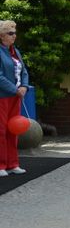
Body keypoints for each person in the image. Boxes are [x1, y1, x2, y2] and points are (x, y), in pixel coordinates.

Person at [0, 20, 29, 177]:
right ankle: (1, 164)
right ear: (1, 36)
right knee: (1, 131)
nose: (14, 36)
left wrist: (24, 86)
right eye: (10, 33)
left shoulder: (15, 51)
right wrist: (14, 89)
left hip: (15, 97)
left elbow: (24, 71)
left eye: (15, 33)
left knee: (13, 130)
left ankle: (13, 163)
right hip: (3, 97)